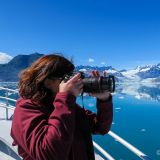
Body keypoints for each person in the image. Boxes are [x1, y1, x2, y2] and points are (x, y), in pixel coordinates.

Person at [10, 54, 113, 160]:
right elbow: (48, 154)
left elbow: (100, 128)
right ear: (48, 82)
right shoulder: (26, 109)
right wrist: (66, 98)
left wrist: (104, 99)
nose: (73, 82)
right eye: (67, 78)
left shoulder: (67, 106)